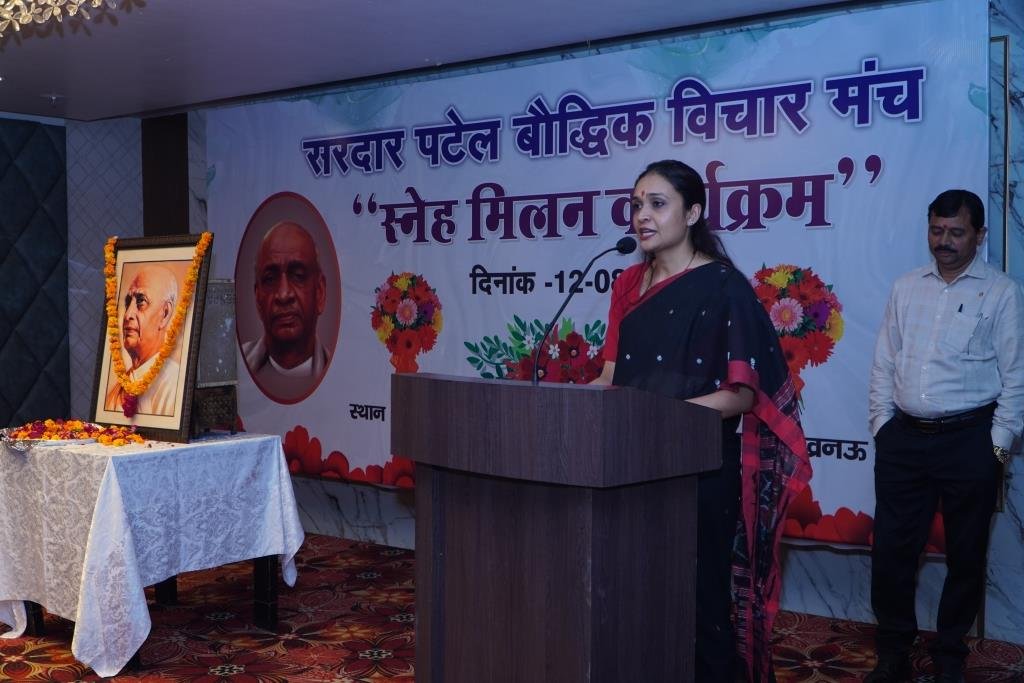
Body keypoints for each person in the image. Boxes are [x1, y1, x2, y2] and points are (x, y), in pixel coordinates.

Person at [592, 160, 810, 682]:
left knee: (700, 599)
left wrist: (663, 418)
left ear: (692, 213)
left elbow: (741, 394)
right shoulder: (627, 283)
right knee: (632, 590)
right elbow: (610, 375)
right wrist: (567, 408)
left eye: (657, 204)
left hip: (700, 467)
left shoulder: (723, 286)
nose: (642, 216)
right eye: (636, 205)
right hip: (630, 464)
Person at [866, 189, 1024, 683]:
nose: (945, 241)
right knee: (892, 551)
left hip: (970, 440)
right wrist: (882, 425)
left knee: (966, 554)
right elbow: (884, 361)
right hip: (904, 439)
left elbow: (1016, 376)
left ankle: (950, 654)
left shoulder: (1001, 292)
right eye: (937, 230)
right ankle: (893, 651)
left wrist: (997, 448)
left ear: (979, 235)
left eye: (957, 232)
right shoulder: (906, 287)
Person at [241, 221, 329, 400]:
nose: (283, 294)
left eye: (298, 276)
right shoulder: (238, 367)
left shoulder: (339, 370)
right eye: (270, 279)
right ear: (258, 299)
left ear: (319, 292)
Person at [104, 264, 181, 416]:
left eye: (141, 301)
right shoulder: (117, 391)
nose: (127, 315)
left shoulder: (174, 384)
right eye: (128, 303)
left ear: (165, 314)